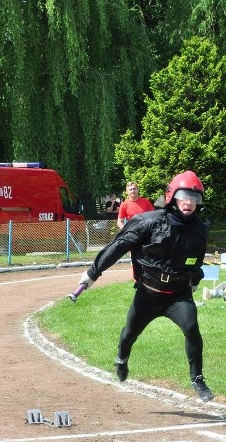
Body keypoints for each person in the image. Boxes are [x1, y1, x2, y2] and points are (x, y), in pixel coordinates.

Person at [77, 170, 214, 401]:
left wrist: (194, 280)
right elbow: (117, 247)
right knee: (130, 333)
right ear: (172, 197)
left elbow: (196, 261)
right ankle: (121, 358)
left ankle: (197, 379)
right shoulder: (148, 222)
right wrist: (92, 273)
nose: (189, 202)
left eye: (195, 198)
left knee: (191, 328)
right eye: (184, 196)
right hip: (148, 294)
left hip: (178, 295)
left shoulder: (200, 229)